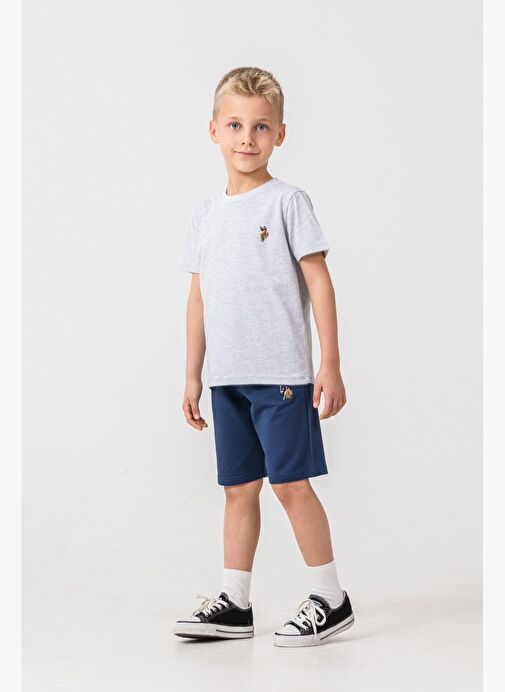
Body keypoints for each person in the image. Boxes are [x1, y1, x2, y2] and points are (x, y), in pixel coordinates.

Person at [173, 66, 355, 647]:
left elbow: (320, 282)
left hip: (281, 377)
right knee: (238, 488)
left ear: (280, 133)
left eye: (260, 126)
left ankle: (331, 597)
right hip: (227, 378)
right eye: (234, 125)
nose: (246, 138)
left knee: (290, 485)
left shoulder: (288, 203)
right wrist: (192, 374)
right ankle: (235, 602)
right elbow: (198, 298)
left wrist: (330, 363)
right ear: (213, 130)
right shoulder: (205, 214)